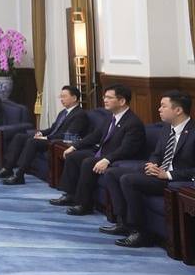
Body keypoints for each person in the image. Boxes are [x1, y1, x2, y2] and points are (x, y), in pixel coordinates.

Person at [101, 90, 194, 247]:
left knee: (128, 180)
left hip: (175, 180)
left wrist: (168, 174)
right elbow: (157, 154)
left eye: (163, 106)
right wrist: (153, 164)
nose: (159, 109)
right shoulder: (166, 128)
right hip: (158, 173)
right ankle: (122, 221)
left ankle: (139, 232)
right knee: (112, 173)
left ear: (178, 110)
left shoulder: (192, 133)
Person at [51, 84, 145, 215]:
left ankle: (84, 204)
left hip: (116, 158)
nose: (104, 100)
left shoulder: (132, 123)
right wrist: (75, 146)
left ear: (122, 101)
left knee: (88, 162)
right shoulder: (110, 117)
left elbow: (127, 149)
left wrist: (107, 159)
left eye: (109, 97)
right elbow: (95, 135)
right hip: (101, 152)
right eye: (104, 97)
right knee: (74, 156)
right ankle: (70, 195)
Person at [0, 85, 89, 185]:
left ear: (74, 98)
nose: (61, 99)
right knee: (20, 137)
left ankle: (19, 175)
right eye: (61, 96)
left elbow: (68, 135)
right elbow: (53, 128)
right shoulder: (63, 112)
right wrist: (41, 133)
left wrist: (46, 137)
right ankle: (8, 168)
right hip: (50, 138)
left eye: (64, 96)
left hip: (60, 142)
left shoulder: (79, 114)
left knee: (32, 141)